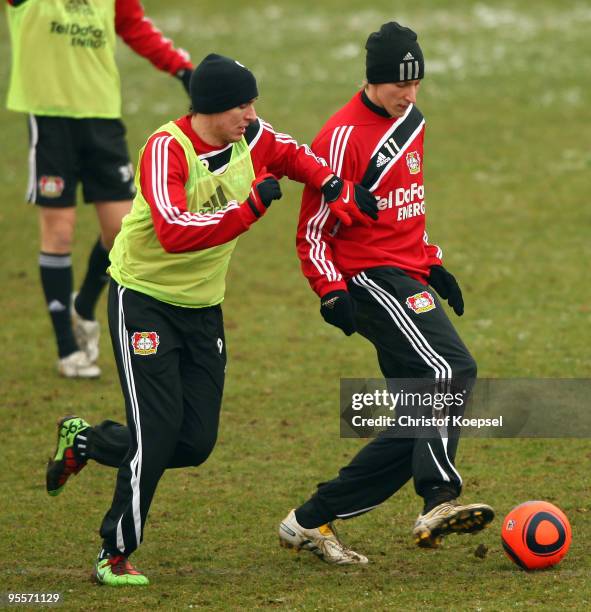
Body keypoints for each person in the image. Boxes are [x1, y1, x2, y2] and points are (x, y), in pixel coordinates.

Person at [45, 53, 378, 586]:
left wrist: (334, 186)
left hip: (202, 309)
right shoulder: (166, 150)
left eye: (252, 103)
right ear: (210, 109)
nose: (251, 114)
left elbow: (293, 153)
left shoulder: (250, 136)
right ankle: (115, 551)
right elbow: (175, 231)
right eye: (241, 106)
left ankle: (86, 442)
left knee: (194, 443)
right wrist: (248, 209)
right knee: (155, 434)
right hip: (145, 301)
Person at [278, 22, 494, 565]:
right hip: (366, 277)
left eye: (417, 82)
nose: (411, 94)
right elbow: (312, 229)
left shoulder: (412, 121)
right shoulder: (340, 138)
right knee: (450, 370)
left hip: (406, 273)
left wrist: (433, 260)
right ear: (375, 80)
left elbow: (408, 205)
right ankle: (440, 499)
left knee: (418, 419)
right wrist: (329, 291)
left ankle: (308, 520)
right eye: (401, 83)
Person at [6, 0, 195, 378]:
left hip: (102, 117)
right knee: (59, 231)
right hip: (50, 118)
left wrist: (181, 68)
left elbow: (135, 27)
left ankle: (83, 305)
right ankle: (67, 349)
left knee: (122, 230)